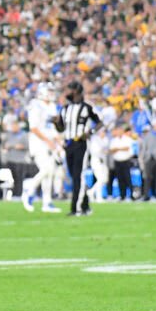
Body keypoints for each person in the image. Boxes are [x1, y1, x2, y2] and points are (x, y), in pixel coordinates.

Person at [54, 81, 99, 215]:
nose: (66, 92)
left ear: (76, 91)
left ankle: (76, 208)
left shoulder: (86, 107)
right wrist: (56, 123)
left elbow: (99, 122)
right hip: (68, 144)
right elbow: (61, 128)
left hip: (80, 143)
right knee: (74, 176)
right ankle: (85, 205)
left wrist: (89, 132)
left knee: (78, 175)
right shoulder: (65, 109)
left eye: (69, 89)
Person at [22, 82, 62, 213]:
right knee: (46, 169)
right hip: (38, 143)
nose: (51, 94)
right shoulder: (35, 105)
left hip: (50, 142)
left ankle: (47, 202)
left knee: (50, 173)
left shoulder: (52, 106)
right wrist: (48, 141)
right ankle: (29, 189)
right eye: (49, 91)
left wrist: (57, 141)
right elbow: (34, 128)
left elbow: (53, 127)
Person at [108, 125, 134, 201]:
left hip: (125, 161)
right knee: (120, 179)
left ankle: (131, 195)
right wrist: (120, 149)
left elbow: (127, 148)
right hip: (117, 161)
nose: (119, 132)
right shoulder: (114, 140)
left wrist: (118, 148)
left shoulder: (127, 139)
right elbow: (112, 150)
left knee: (128, 178)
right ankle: (122, 195)